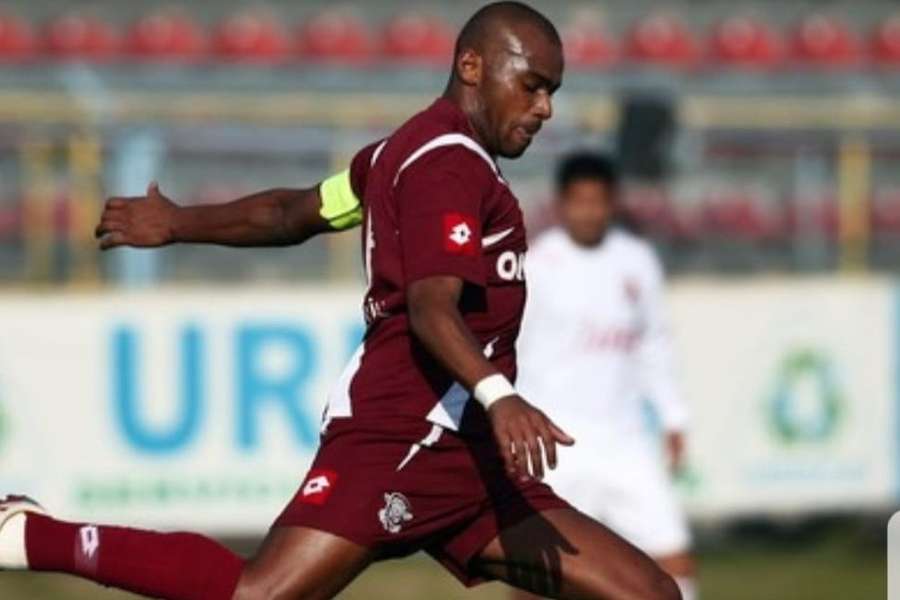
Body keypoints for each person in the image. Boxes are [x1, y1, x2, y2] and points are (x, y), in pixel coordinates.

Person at [0, 4, 680, 599]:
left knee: (648, 591)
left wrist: (181, 222)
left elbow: (293, 213)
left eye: (553, 91)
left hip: (468, 453)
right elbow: (431, 307)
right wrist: (502, 397)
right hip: (409, 429)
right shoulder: (448, 163)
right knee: (260, 593)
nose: (544, 108)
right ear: (471, 65)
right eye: (532, 85)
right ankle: (28, 536)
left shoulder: (399, 153)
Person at [514, 151, 697, 600]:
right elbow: (507, 350)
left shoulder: (636, 261)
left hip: (625, 439)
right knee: (534, 575)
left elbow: (654, 343)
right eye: (579, 201)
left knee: (672, 561)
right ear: (561, 204)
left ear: (612, 203)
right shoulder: (536, 265)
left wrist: (673, 417)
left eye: (598, 202)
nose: (589, 212)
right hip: (554, 446)